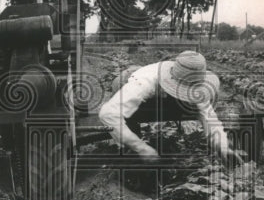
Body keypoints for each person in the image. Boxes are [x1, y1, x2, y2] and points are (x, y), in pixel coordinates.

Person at [98, 50, 245, 169]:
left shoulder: (196, 85)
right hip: (132, 80)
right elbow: (108, 114)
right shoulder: (144, 83)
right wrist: (141, 147)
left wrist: (223, 147)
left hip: (163, 94)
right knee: (130, 120)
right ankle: (129, 156)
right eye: (182, 90)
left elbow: (210, 119)